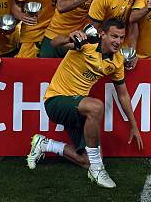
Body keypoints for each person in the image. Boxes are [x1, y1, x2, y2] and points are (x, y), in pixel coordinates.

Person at [26, 19, 143, 189]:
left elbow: (123, 95)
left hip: (78, 109)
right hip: (56, 101)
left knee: (86, 160)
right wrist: (69, 37)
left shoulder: (117, 61)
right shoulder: (86, 43)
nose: (118, 41)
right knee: (97, 107)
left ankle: (44, 144)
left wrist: (134, 126)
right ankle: (97, 169)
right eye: (114, 36)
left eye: (121, 37)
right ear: (102, 34)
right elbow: (54, 43)